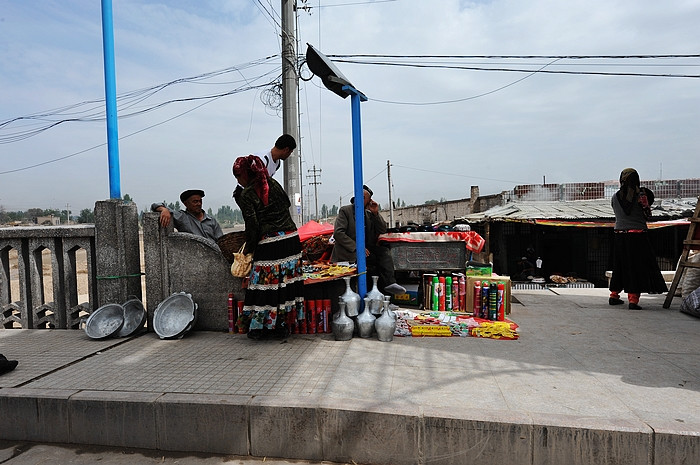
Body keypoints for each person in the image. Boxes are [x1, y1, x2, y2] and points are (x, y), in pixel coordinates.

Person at [232, 155, 304, 340]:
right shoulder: (273, 183)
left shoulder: (247, 194)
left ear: (246, 174)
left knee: (262, 285)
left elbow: (253, 226)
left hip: (270, 242)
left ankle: (259, 328)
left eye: (238, 176)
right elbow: (287, 204)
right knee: (284, 285)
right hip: (291, 239)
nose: (238, 181)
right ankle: (281, 326)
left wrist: (248, 249)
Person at [609, 168, 667, 310]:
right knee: (636, 267)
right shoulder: (641, 195)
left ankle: (614, 295)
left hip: (619, 235)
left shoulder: (615, 197)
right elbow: (647, 214)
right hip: (637, 236)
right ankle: (633, 300)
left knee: (620, 266)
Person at [331, 185, 405, 295]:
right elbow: (338, 233)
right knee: (369, 267)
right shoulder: (345, 211)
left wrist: (376, 213)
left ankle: (390, 285)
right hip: (349, 252)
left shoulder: (369, 214)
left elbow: (382, 229)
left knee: (383, 253)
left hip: (366, 250)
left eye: (366, 198)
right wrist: (357, 247)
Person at [232, 134, 297, 204]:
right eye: (290, 152)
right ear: (286, 150)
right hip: (245, 192)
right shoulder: (262, 160)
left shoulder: (277, 163)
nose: (289, 155)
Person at [151, 189, 223, 242]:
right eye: (195, 202)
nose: (199, 204)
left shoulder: (211, 220)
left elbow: (221, 240)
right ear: (186, 204)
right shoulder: (182, 217)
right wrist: (164, 210)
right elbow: (155, 205)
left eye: (200, 201)